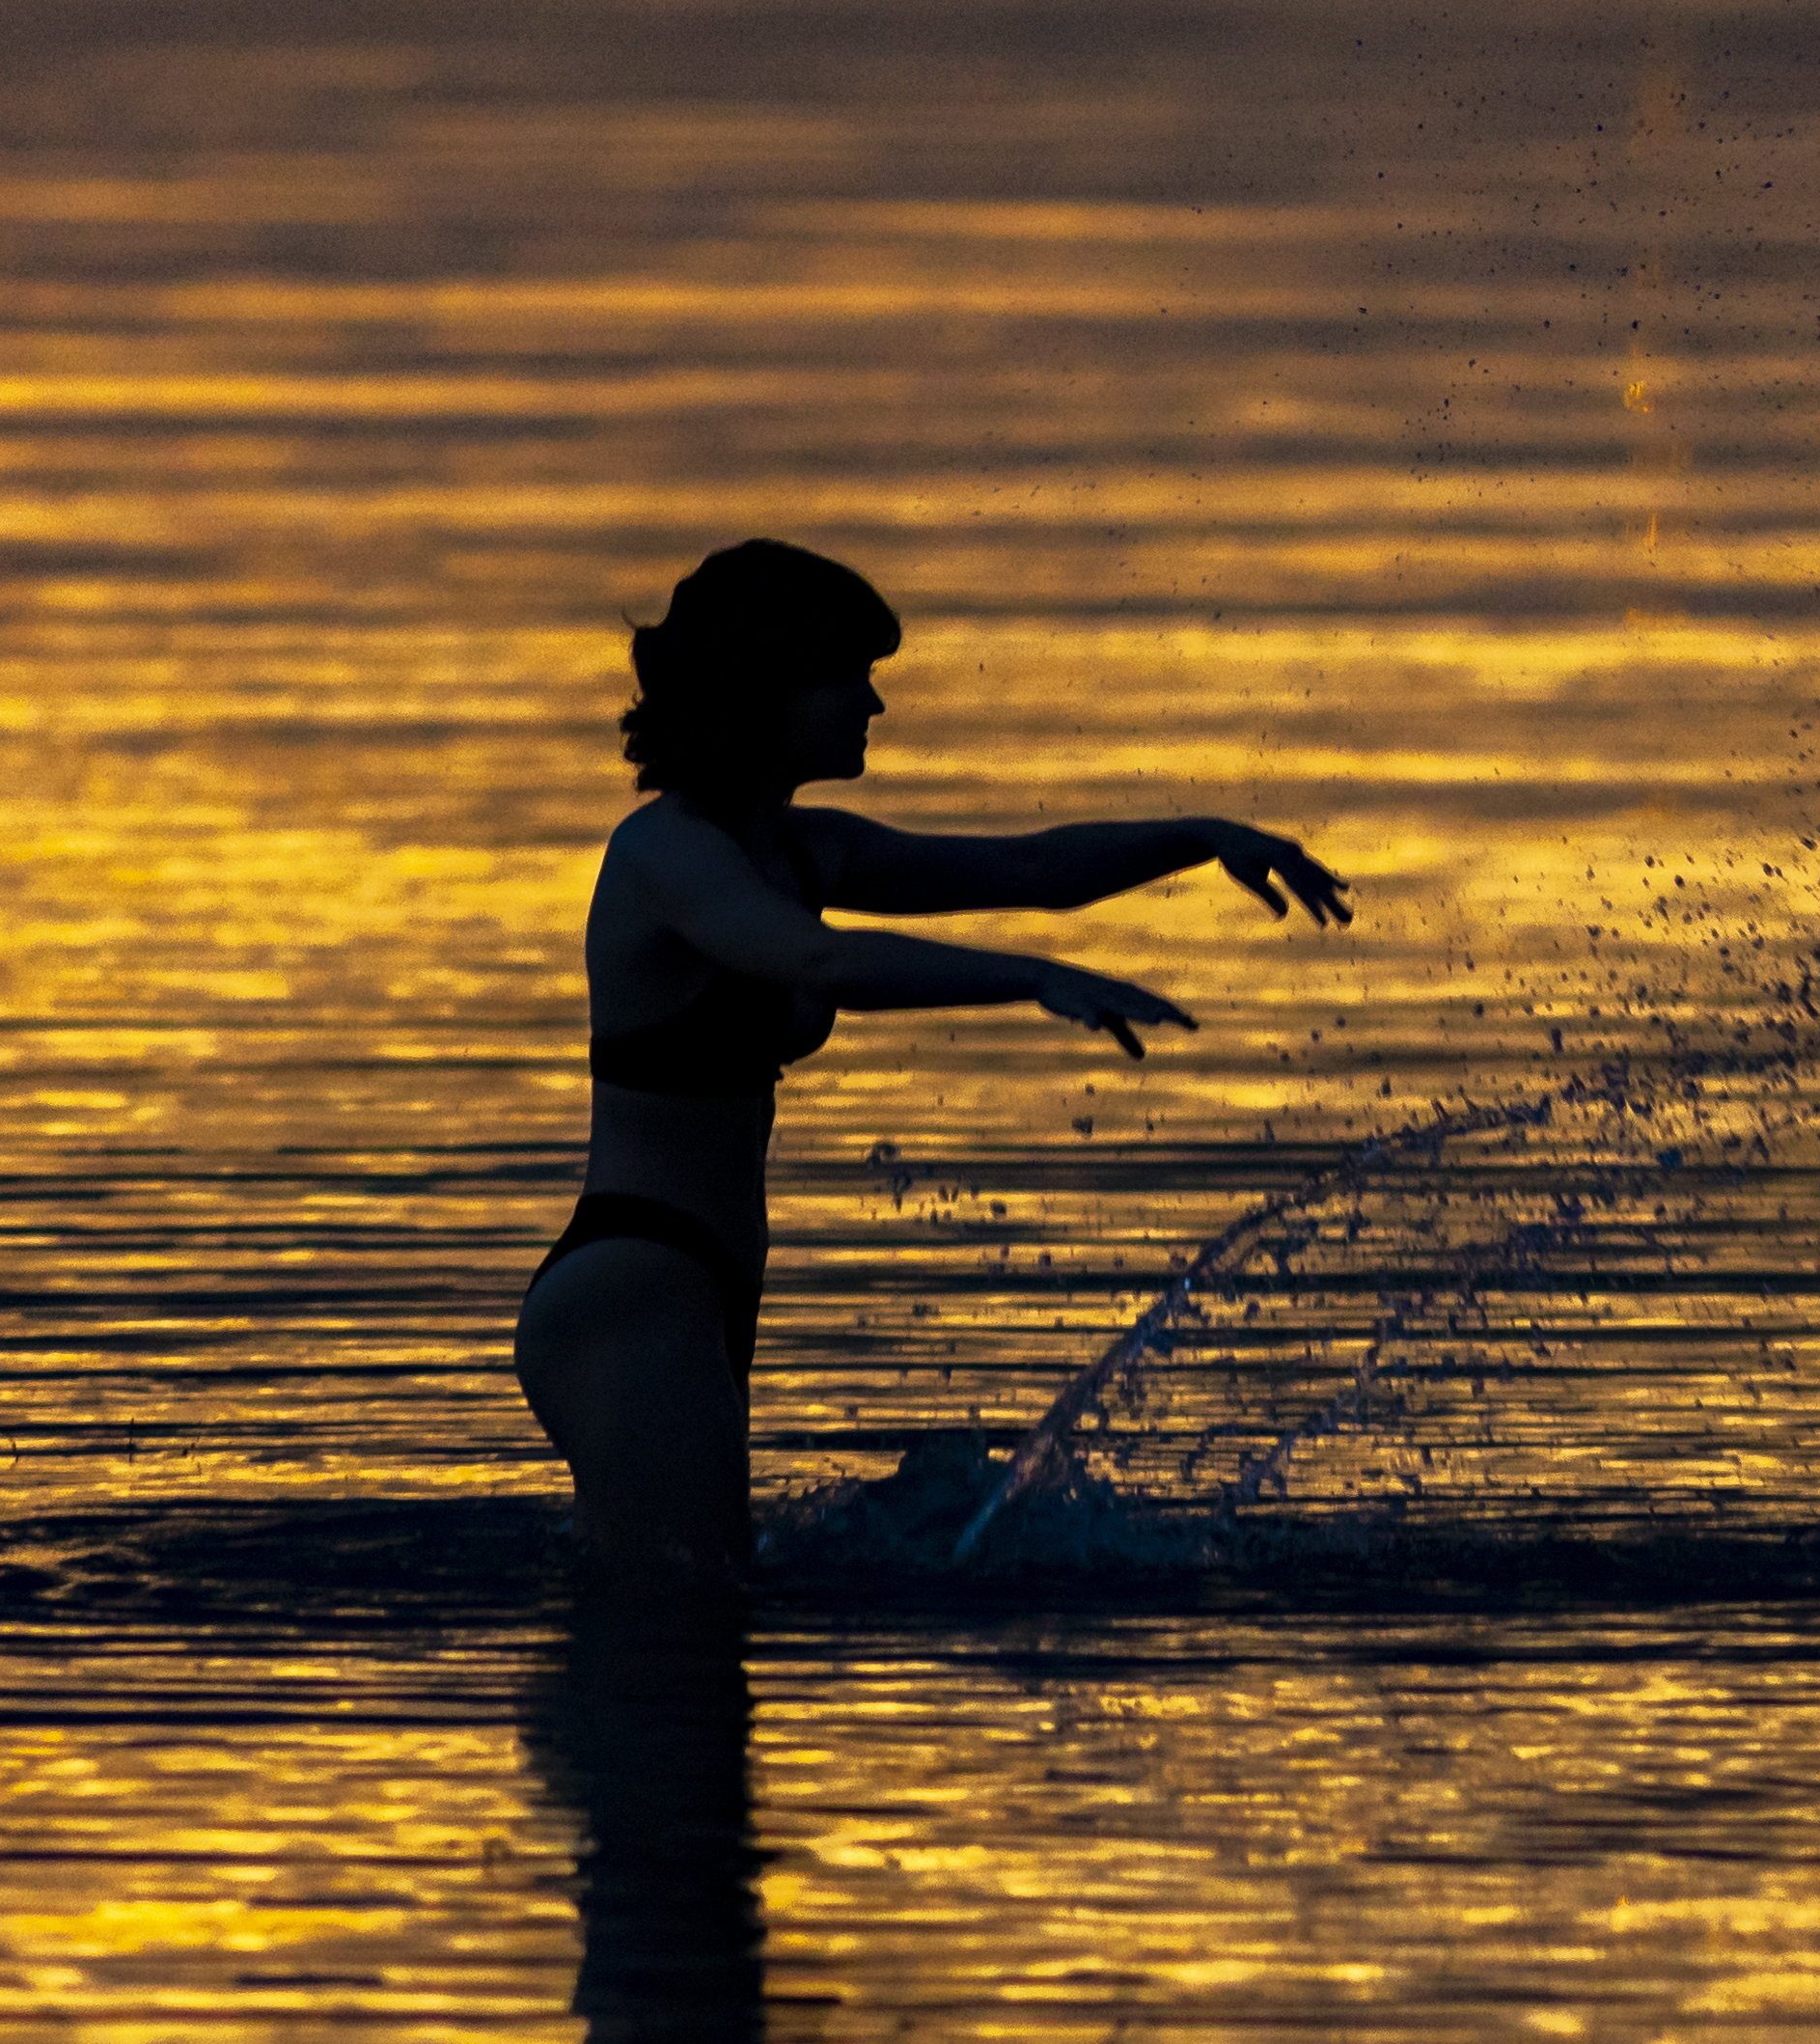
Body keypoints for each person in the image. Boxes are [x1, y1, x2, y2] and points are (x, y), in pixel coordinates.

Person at [516, 538, 1350, 1589]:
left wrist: (1203, 834)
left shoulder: (803, 847)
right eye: (847, 677)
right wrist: (1030, 979)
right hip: (635, 1281)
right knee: (683, 1612)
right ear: (763, 684)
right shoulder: (667, 855)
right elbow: (819, 959)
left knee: (676, 1633)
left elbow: (1032, 866)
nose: (872, 705)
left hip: (703, 1281)